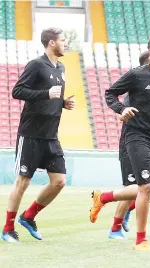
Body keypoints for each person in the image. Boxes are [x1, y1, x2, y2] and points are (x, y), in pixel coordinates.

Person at [89, 34, 150, 251]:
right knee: (146, 187)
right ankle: (140, 240)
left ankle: (103, 199)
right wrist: (122, 109)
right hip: (135, 136)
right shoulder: (136, 75)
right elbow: (110, 93)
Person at [1, 27, 75, 243]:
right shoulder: (36, 64)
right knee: (22, 182)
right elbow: (17, 91)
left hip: (51, 135)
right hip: (31, 134)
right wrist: (45, 93)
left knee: (59, 181)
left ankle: (29, 216)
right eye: (63, 40)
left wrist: (62, 102)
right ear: (52, 42)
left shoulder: (61, 67)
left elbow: (52, 98)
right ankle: (7, 228)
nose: (65, 43)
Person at [108, 51, 150, 239]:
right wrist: (123, 112)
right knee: (137, 187)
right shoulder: (137, 88)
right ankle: (115, 227)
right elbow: (122, 110)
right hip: (132, 143)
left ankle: (127, 209)